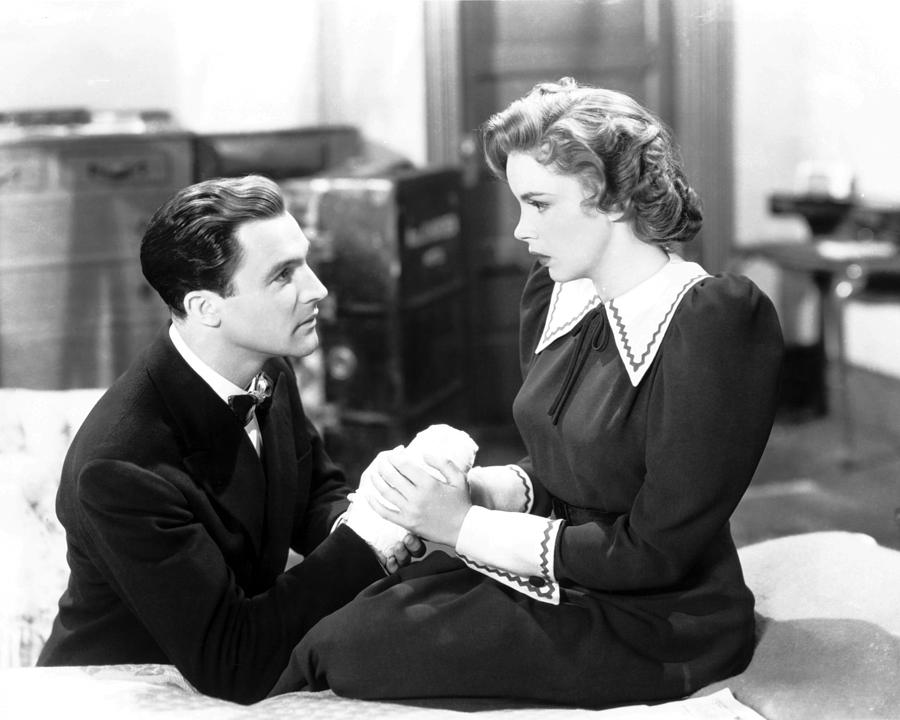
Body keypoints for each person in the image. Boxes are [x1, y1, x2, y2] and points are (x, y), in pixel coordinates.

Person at [270, 78, 785, 708]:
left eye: (539, 204)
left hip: (658, 618)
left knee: (346, 649)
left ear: (615, 199)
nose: (519, 229)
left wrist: (463, 525)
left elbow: (655, 552)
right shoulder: (557, 295)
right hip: (562, 571)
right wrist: (479, 488)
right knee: (351, 612)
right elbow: (566, 467)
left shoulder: (714, 321)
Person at [37, 175, 422, 704]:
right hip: (120, 695)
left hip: (228, 669)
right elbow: (234, 662)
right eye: (284, 275)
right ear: (205, 308)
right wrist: (372, 538)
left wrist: (397, 509)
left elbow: (312, 498)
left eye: (304, 262)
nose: (318, 290)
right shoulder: (121, 466)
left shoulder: (268, 371)